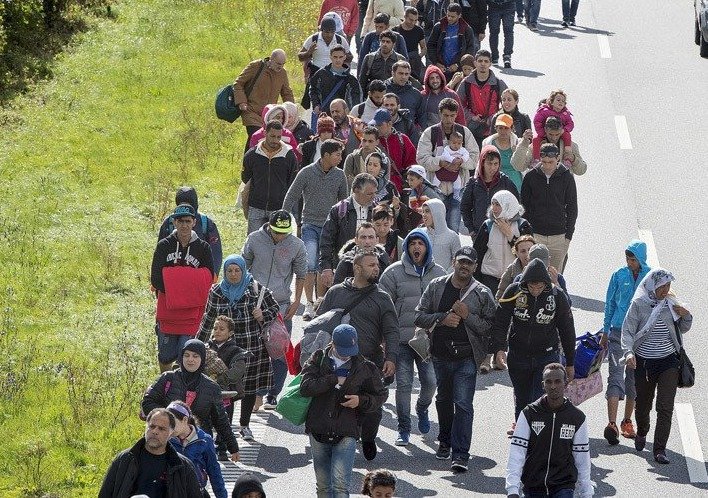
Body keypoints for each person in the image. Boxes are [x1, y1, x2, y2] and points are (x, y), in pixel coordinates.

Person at [414, 246, 496, 472]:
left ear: (475, 267)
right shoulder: (436, 285)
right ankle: (445, 441)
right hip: (440, 355)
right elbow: (419, 316)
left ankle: (460, 454)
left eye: (469, 263)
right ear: (453, 262)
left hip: (467, 358)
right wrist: (442, 319)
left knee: (463, 404)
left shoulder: (482, 293)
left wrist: (467, 316)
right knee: (443, 400)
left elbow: (490, 327)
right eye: (461, 261)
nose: (464, 266)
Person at [316, 251, 400, 461]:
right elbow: (319, 324)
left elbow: (391, 330)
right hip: (338, 362)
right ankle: (342, 442)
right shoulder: (335, 292)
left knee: (373, 406)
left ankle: (369, 437)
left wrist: (391, 357)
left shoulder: (382, 297)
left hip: (371, 361)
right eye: (371, 265)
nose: (376, 268)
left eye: (377, 265)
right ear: (357, 268)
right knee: (339, 404)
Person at [196, 255, 280, 440]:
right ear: (224, 272)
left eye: (237, 271)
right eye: (229, 271)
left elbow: (274, 308)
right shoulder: (217, 291)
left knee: (249, 388)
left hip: (252, 347)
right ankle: (227, 426)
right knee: (227, 387)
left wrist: (262, 315)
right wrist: (196, 346)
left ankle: (245, 425)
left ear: (243, 271)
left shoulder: (256, 289)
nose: (233, 275)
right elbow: (208, 319)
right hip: (224, 349)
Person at [301, 324, 388, 495]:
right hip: (318, 428)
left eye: (351, 349)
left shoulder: (365, 366)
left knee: (341, 486)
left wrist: (361, 400)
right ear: (332, 343)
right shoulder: (317, 358)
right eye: (343, 349)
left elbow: (380, 395)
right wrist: (333, 379)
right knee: (323, 485)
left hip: (347, 430)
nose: (347, 354)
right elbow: (305, 388)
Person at [380, 229, 446, 446]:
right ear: (407, 247)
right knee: (404, 384)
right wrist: (384, 338)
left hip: (428, 341)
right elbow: (383, 306)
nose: (416, 247)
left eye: (421, 243)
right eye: (412, 243)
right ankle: (404, 427)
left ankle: (422, 408)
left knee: (430, 382)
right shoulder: (393, 272)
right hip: (401, 340)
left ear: (427, 247)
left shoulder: (440, 273)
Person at [491, 259, 576, 424]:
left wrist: (570, 363)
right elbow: (500, 322)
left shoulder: (557, 296)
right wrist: (499, 349)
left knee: (538, 398)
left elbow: (567, 330)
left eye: (539, 287)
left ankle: (538, 439)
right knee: (522, 399)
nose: (535, 291)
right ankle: (522, 437)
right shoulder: (513, 291)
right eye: (531, 287)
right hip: (518, 355)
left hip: (546, 356)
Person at [622, 269, 692, 464]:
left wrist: (685, 315)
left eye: (668, 286)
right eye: (662, 286)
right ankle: (642, 430)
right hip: (644, 362)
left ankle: (659, 449)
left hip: (669, 361)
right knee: (643, 404)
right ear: (652, 286)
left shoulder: (671, 303)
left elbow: (684, 327)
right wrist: (628, 353)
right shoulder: (639, 304)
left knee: (665, 406)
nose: (665, 290)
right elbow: (627, 331)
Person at [243, 210, 307, 409]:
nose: (280, 236)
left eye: (284, 232)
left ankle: (273, 393)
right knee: (255, 349)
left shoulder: (297, 245)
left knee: (279, 348)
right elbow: (242, 268)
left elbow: (301, 274)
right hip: (253, 302)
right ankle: (255, 393)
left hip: (281, 304)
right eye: (277, 231)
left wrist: (296, 301)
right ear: (269, 226)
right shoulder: (254, 239)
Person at [141, 340, 241, 462]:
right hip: (166, 440)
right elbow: (148, 402)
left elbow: (220, 420)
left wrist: (233, 447)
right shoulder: (168, 378)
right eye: (186, 355)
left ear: (202, 359)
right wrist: (168, 419)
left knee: (195, 478)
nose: (190, 360)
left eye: (195, 356)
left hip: (197, 444)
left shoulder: (211, 388)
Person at [282, 139, 349, 319]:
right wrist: (283, 216)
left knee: (323, 265)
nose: (340, 158)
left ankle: (320, 303)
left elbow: (344, 202)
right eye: (337, 154)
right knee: (310, 263)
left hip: (330, 226)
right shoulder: (307, 172)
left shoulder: (340, 175)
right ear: (326, 155)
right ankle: (309, 305)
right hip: (310, 224)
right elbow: (292, 195)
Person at [506, 363, 594, 498]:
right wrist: (512, 489)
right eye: (549, 382)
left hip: (563, 486)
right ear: (543, 385)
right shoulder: (529, 413)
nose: (553, 386)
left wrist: (586, 492)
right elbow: (517, 452)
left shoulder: (577, 418)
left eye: (558, 381)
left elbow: (582, 457)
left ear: (566, 384)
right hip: (533, 486)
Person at [151, 203, 214, 372]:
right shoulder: (164, 246)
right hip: (167, 313)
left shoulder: (203, 248)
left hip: (192, 316)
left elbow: (208, 279)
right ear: (174, 223)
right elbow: (156, 278)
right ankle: (165, 387)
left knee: (188, 357)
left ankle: (184, 392)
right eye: (180, 221)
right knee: (165, 356)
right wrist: (187, 285)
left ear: (194, 222)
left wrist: (174, 280)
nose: (184, 225)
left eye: (187, 221)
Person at [601, 240, 650, 445]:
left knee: (634, 379)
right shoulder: (618, 275)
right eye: (628, 259)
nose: (630, 263)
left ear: (641, 259)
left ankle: (627, 421)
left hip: (640, 335)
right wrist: (605, 330)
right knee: (615, 376)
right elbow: (610, 303)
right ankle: (611, 424)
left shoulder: (650, 277)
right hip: (618, 332)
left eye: (633, 259)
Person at [98, 408, 202, 498]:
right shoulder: (124, 460)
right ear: (145, 427)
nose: (155, 431)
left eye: (161, 429)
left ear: (171, 433)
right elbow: (105, 494)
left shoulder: (183, 467)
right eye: (152, 426)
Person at [417, 97, 478, 232]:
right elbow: (421, 158)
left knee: (453, 227)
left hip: (459, 187)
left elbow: (474, 158)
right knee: (436, 227)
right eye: (445, 115)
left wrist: (461, 162)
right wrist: (440, 162)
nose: (449, 119)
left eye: (452, 116)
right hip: (436, 187)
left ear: (456, 114)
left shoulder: (464, 132)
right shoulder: (430, 133)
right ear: (439, 114)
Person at [520, 143, 578, 272]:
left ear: (557, 158)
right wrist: (527, 233)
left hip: (559, 237)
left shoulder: (567, 177)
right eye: (544, 162)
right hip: (535, 235)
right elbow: (524, 207)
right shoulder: (530, 177)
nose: (547, 165)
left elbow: (572, 208)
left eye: (550, 162)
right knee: (533, 274)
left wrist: (568, 236)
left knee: (555, 277)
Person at [205, 315, 252, 460]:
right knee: (205, 419)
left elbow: (236, 372)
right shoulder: (205, 348)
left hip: (226, 393)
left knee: (224, 420)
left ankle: (222, 447)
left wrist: (217, 378)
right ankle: (207, 447)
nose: (217, 331)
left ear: (230, 333)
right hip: (206, 392)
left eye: (221, 329)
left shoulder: (236, 351)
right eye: (215, 328)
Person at [319, 173, 378, 285]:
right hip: (344, 267)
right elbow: (326, 240)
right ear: (356, 190)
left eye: (375, 193)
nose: (373, 197)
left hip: (370, 269)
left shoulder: (376, 209)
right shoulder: (339, 210)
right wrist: (326, 268)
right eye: (369, 193)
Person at [242, 120, 298, 234]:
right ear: (264, 133)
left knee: (278, 243)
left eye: (278, 137)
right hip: (256, 206)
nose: (275, 140)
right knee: (254, 242)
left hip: (278, 207)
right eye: (272, 136)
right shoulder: (251, 155)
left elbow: (292, 181)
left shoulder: (289, 156)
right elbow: (245, 177)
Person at [472, 189, 532, 296]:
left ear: (508, 205)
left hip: (515, 278)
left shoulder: (522, 225)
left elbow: (527, 255)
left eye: (498, 205)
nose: (494, 208)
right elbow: (477, 253)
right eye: (493, 204)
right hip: (489, 278)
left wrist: (510, 235)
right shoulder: (488, 225)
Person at [233, 49, 294, 153]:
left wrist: (291, 110)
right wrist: (242, 102)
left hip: (270, 115)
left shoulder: (282, 73)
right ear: (271, 59)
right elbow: (238, 84)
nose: (281, 67)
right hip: (251, 111)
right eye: (278, 63)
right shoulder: (256, 66)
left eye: (283, 64)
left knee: (263, 140)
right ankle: (247, 165)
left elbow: (286, 93)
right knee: (256, 135)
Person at [166, 401, 227, 498]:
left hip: (196, 492)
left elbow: (214, 470)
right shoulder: (166, 441)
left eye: (173, 423)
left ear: (185, 419)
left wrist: (222, 496)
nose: (169, 428)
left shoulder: (204, 440)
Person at [157, 186, 223, 277]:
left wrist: (214, 273)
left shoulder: (206, 223)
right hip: (173, 278)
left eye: (189, 204)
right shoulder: (169, 223)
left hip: (198, 276)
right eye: (182, 203)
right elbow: (160, 252)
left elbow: (216, 250)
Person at [460, 144, 519, 240]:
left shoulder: (505, 182)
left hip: (501, 233)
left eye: (496, 164)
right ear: (482, 163)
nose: (492, 167)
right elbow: (464, 207)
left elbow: (516, 205)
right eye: (489, 163)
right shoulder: (473, 183)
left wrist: (509, 225)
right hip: (479, 233)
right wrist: (471, 230)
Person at [456, 49, 508, 148]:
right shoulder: (466, 83)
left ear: (490, 64)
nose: (483, 64)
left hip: (493, 129)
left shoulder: (498, 83)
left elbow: (508, 105)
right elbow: (458, 104)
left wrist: (494, 117)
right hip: (472, 128)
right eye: (480, 61)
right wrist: (471, 117)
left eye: (486, 61)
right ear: (475, 63)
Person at [299, 18, 352, 110]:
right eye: (327, 32)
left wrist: (340, 58)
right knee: (315, 103)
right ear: (321, 30)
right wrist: (309, 52)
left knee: (334, 102)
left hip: (335, 75)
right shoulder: (313, 39)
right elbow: (300, 57)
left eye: (332, 32)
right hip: (317, 75)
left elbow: (350, 57)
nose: (329, 35)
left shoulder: (340, 40)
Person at [309, 45, 363, 129]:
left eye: (340, 57)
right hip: (324, 116)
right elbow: (313, 89)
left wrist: (352, 115)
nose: (338, 60)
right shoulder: (321, 74)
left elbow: (357, 99)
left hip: (342, 119)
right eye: (335, 57)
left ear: (345, 57)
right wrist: (316, 104)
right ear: (330, 57)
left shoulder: (351, 78)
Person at [511, 116, 587, 175]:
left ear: (561, 131)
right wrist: (524, 143)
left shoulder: (571, 146)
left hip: (562, 190)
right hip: (540, 189)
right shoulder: (535, 146)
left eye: (557, 134)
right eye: (551, 134)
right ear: (545, 130)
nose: (554, 138)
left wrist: (574, 159)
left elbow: (582, 171)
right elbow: (518, 166)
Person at [369, 108, 417, 192]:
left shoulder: (402, 139)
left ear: (390, 124)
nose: (376, 128)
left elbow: (412, 163)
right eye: (375, 125)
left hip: (399, 188)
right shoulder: (371, 140)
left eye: (379, 125)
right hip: (375, 187)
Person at [427, 3, 477, 82]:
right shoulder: (439, 27)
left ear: (459, 15)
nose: (449, 18)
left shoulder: (466, 29)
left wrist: (458, 64)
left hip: (458, 69)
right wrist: (436, 62)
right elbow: (430, 45)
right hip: (440, 67)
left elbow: (470, 49)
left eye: (453, 16)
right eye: (448, 15)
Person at [532, 90, 574, 167]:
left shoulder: (565, 113)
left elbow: (570, 123)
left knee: (568, 136)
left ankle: (567, 158)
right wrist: (543, 133)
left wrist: (564, 130)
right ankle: (536, 159)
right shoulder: (544, 111)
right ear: (551, 102)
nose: (561, 102)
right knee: (535, 140)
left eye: (563, 101)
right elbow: (537, 122)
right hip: (545, 133)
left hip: (561, 132)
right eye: (558, 100)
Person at [482, 113, 523, 192]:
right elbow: (482, 165)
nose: (503, 131)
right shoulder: (488, 143)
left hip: (516, 187)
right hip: (494, 186)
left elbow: (523, 166)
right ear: (496, 128)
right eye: (500, 128)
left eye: (506, 128)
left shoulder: (519, 143)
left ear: (512, 128)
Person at [420, 198, 461, 270]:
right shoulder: (420, 234)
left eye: (427, 211)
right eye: (422, 212)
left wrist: (445, 277)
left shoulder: (452, 236)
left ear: (437, 213)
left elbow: (458, 261)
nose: (423, 215)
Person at [384, 60, 426, 129]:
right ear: (393, 73)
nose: (403, 77)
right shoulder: (383, 91)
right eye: (400, 73)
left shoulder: (416, 94)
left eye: (406, 74)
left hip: (409, 135)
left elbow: (422, 117)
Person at [496, 234, 535, 301]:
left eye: (530, 250)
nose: (527, 254)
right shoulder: (511, 270)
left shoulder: (545, 267)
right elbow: (500, 296)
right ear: (517, 254)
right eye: (523, 251)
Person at [393, 7, 427, 81]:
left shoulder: (419, 30)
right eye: (411, 20)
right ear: (405, 17)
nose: (413, 23)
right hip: (399, 60)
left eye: (415, 20)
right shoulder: (396, 30)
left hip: (414, 61)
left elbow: (424, 48)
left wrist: (418, 56)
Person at [487, 0, 515, 67]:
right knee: (494, 32)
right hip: (494, 6)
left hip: (508, 5)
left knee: (508, 32)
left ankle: (507, 56)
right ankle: (495, 56)